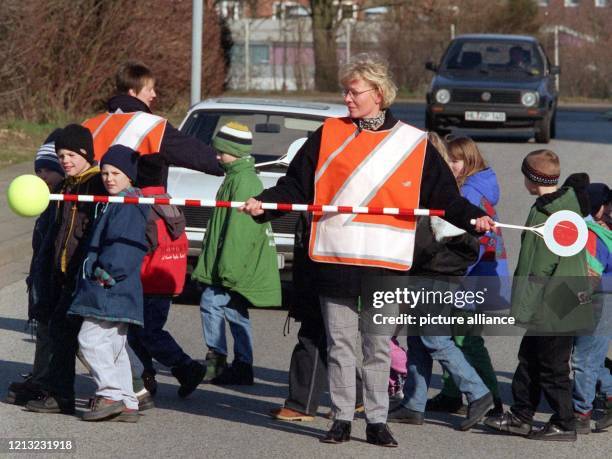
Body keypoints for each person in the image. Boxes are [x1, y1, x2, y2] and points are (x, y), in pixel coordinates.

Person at [241, 54, 495, 447]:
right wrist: (264, 203)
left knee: (377, 347)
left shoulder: (413, 143)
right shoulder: (326, 134)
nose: (347, 98)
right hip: (334, 259)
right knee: (340, 346)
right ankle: (341, 418)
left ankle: (377, 420)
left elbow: (445, 197)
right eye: (345, 90)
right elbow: (296, 185)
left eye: (353, 91)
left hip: (384, 263)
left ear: (378, 94)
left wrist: (474, 217)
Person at [485, 150, 593, 442]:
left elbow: (540, 270)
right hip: (550, 302)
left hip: (556, 304)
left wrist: (524, 307)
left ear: (532, 179)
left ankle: (565, 422)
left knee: (552, 367)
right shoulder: (552, 206)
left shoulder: (554, 217)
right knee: (530, 358)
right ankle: (521, 415)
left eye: (524, 176)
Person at [388, 132, 492, 430]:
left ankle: (478, 392)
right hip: (428, 274)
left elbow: (437, 242)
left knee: (434, 339)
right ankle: (413, 403)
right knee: (418, 341)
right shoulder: (435, 189)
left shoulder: (440, 194)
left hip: (436, 276)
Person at [25, 124, 107, 415]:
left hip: (85, 275)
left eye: (71, 154)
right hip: (63, 274)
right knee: (63, 333)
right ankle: (60, 394)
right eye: (61, 155)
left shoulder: (97, 184)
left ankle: (130, 387)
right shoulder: (66, 186)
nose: (66, 160)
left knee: (93, 337)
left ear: (86, 153)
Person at [192, 122, 281, 385]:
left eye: (222, 151)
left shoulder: (243, 180)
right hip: (233, 262)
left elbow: (239, 231)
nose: (217, 156)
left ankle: (216, 358)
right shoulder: (236, 176)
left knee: (210, 302)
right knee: (234, 310)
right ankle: (243, 364)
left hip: (232, 264)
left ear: (234, 151)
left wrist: (226, 269)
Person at [426, 136, 506, 415]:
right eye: (447, 159)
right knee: (455, 336)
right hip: (475, 276)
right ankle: (451, 393)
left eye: (455, 161)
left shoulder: (470, 194)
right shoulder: (475, 186)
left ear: (469, 161)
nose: (449, 165)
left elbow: (468, 245)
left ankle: (493, 399)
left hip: (471, 277)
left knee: (468, 340)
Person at [69, 145, 149, 422]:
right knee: (114, 348)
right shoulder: (117, 202)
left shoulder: (128, 206)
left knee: (89, 340)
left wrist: (104, 274)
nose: (109, 178)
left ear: (130, 176)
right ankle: (128, 401)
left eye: (116, 173)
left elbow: (124, 249)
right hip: (119, 289)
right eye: (104, 173)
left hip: (110, 286)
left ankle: (111, 393)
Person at [269, 213, 364, 421]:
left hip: (328, 272)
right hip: (314, 268)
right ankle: (358, 396)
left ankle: (301, 405)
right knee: (328, 341)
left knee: (314, 338)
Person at [126, 154, 205, 398]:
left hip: (148, 279)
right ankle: (146, 376)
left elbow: (138, 247)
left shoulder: (141, 205)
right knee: (139, 331)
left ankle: (186, 367)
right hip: (168, 278)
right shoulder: (167, 202)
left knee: (147, 332)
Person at [83, 60, 223, 184]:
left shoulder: (89, 125)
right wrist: (228, 163)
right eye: (149, 89)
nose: (153, 95)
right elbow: (194, 153)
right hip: (137, 208)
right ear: (132, 92)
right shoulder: (151, 126)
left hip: (89, 207)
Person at [6, 130, 64, 405]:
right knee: (44, 331)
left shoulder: (64, 200)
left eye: (46, 171)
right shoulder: (45, 201)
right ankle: (41, 380)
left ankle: (134, 382)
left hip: (57, 279)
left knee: (75, 339)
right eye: (37, 171)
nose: (40, 177)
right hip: (42, 279)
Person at [571, 182, 612, 433]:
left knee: (583, 359)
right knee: (594, 357)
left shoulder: (592, 235)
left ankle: (581, 413)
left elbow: (589, 277)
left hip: (597, 302)